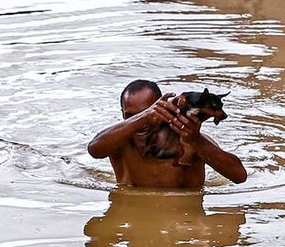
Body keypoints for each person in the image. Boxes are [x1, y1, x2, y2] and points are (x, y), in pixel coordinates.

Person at [87, 79, 247, 188]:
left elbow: (239, 176)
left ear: (164, 109)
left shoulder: (188, 140)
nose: (142, 124)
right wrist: (144, 117)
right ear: (122, 114)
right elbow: (94, 149)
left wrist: (196, 141)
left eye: (148, 112)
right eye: (131, 116)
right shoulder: (118, 139)